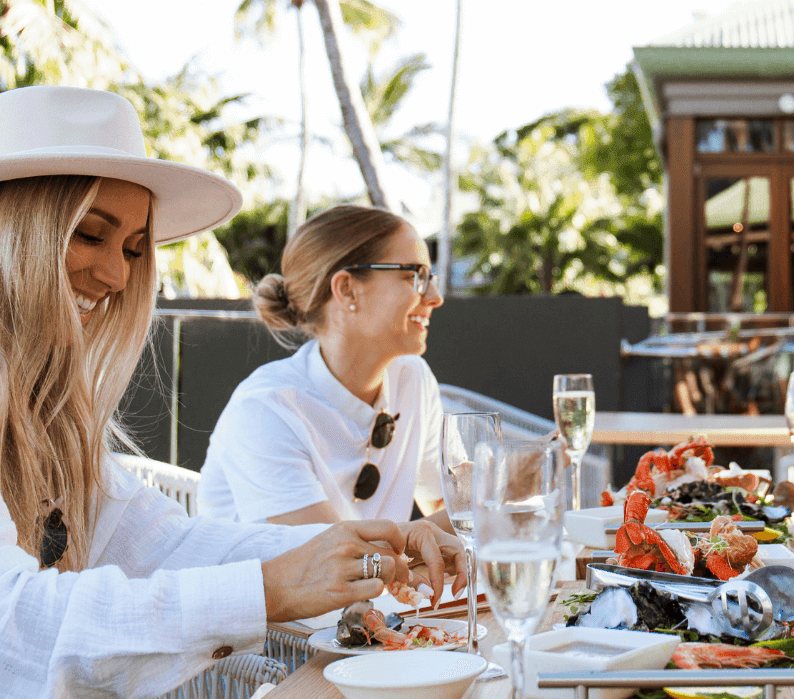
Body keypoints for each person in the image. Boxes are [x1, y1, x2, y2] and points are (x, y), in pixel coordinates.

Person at [0, 85, 466, 697]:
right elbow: (18, 627)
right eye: (90, 234)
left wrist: (360, 546)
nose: (118, 274)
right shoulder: (269, 405)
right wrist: (268, 586)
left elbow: (169, 542)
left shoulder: (50, 414)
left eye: (135, 249)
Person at [198, 205, 451, 527]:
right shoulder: (266, 410)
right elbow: (331, 564)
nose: (435, 296)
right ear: (346, 289)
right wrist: (448, 528)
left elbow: (447, 503)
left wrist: (508, 481)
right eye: (414, 276)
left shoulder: (410, 378)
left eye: (431, 278)